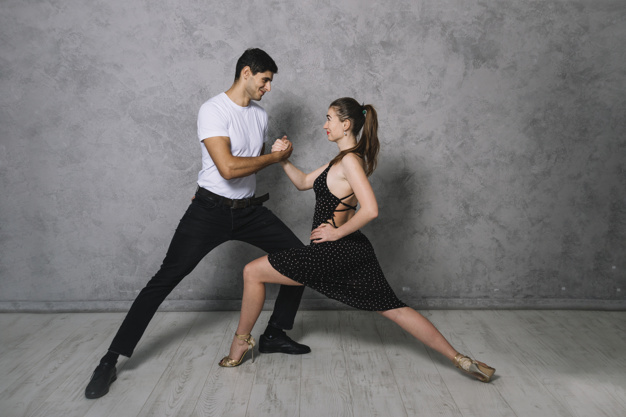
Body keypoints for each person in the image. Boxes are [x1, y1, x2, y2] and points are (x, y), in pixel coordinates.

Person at [85, 48, 312, 399]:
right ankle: (110, 360)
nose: (268, 88)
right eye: (265, 80)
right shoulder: (213, 110)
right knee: (163, 281)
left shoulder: (260, 115)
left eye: (270, 83)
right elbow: (228, 168)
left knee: (301, 260)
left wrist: (277, 151)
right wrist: (274, 157)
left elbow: (254, 159)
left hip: (250, 211)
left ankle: (274, 335)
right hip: (209, 212)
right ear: (247, 73)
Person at [218, 97, 495, 382]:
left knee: (252, 272)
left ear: (346, 124)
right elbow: (302, 183)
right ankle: (461, 359)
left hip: (334, 251)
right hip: (354, 250)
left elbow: (371, 209)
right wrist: (283, 159)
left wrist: (335, 233)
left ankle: (240, 344)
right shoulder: (342, 160)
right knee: (394, 308)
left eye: (329, 119)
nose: (324, 125)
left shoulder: (350, 161)